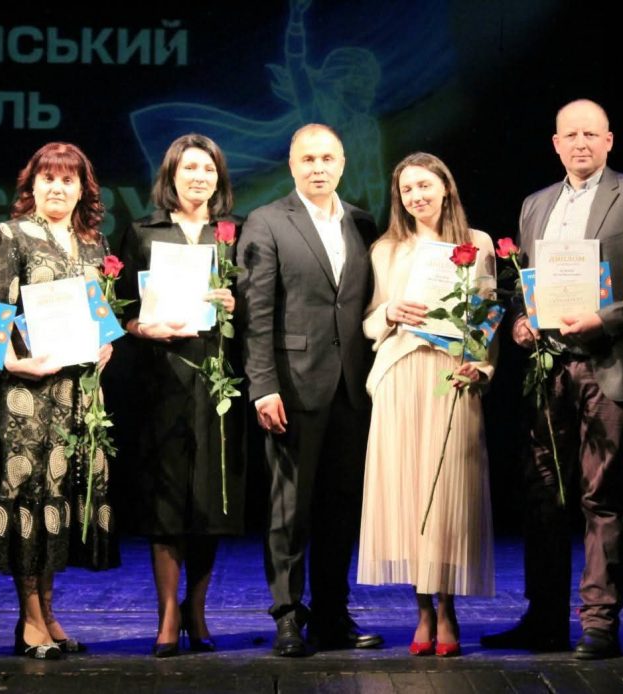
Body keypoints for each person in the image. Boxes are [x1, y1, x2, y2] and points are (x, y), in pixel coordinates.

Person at [481, 99, 623, 659]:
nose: (581, 143)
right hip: (548, 368)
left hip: (607, 362)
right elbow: (521, 282)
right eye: (570, 135)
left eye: (591, 134)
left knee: (603, 496)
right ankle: (544, 620)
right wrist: (520, 321)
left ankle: (599, 623)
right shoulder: (536, 204)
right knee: (543, 495)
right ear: (556, 144)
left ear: (609, 140)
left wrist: (604, 318)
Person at [236, 123, 382, 656]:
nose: (318, 167)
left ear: (342, 163)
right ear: (292, 165)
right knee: (290, 509)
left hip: (353, 388)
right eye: (307, 159)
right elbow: (255, 313)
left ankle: (332, 614)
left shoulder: (362, 222)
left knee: (341, 508)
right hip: (293, 387)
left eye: (327, 158)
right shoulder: (267, 221)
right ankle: (287, 615)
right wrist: (263, 386)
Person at [0, 142, 118, 659]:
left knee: (61, 496)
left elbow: (100, 312)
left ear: (83, 189)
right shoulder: (11, 234)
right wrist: (14, 362)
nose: (57, 188)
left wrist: (106, 344)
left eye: (67, 180)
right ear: (31, 185)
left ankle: (49, 613)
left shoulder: (93, 242)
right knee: (30, 498)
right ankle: (30, 620)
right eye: (48, 178)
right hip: (29, 393)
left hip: (80, 392)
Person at [356, 153, 496, 657]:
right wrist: (390, 313)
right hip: (399, 374)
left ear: (445, 187)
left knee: (449, 495)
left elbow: (487, 316)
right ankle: (421, 610)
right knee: (410, 494)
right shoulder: (386, 249)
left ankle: (448, 609)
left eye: (425, 185)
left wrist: (480, 367)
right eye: (407, 189)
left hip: (450, 377)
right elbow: (369, 321)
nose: (417, 196)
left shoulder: (477, 243)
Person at [116, 133, 245, 657]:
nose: (199, 177)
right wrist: (141, 327)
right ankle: (168, 613)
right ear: (170, 175)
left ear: (219, 178)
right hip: (162, 379)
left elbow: (258, 302)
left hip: (218, 382)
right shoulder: (142, 231)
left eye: (208, 169)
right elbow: (120, 307)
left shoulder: (234, 233)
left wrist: (235, 303)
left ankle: (198, 609)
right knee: (166, 499)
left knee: (210, 499)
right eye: (189, 168)